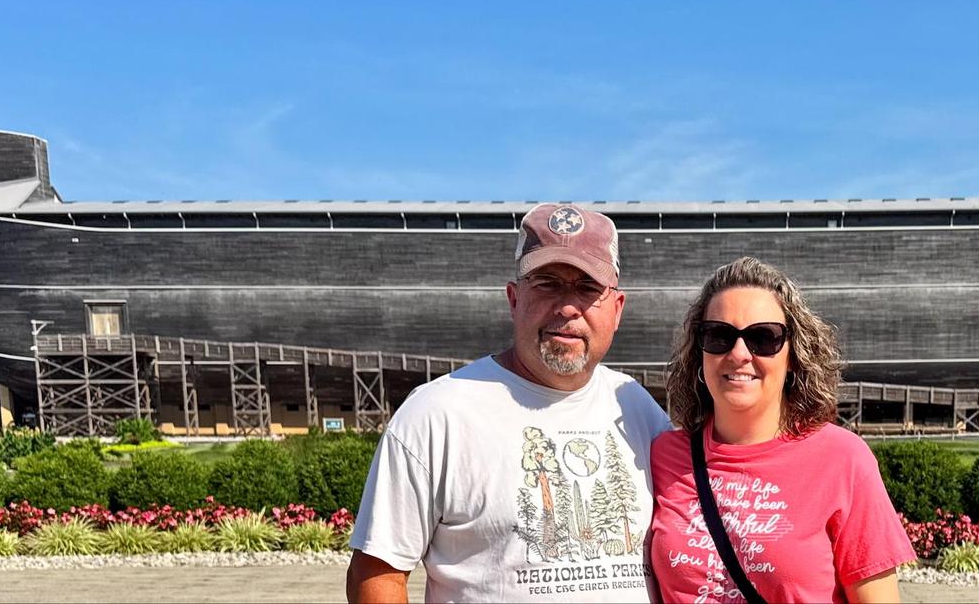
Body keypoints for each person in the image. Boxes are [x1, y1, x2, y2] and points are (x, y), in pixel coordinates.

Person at [346, 204, 672, 603]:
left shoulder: (638, 410)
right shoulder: (437, 414)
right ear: (514, 299)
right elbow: (377, 574)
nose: (568, 307)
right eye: (547, 283)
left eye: (588, 288)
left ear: (617, 309)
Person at [646, 257, 915, 604]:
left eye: (763, 338)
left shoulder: (843, 460)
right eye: (719, 335)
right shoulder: (664, 456)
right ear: (699, 352)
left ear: (793, 357)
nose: (739, 353)